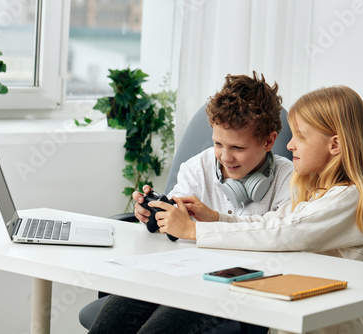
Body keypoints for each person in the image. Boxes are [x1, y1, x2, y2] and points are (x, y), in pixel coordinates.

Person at [152, 86, 363, 334]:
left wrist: (194, 231)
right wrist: (215, 218)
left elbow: (281, 232)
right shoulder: (318, 193)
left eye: (301, 137)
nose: (291, 145)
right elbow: (268, 222)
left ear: (335, 145)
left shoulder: (347, 198)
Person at [88, 72, 294, 334]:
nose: (225, 157)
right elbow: (173, 222)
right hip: (179, 274)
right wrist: (154, 216)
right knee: (110, 323)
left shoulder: (288, 178)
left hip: (233, 289)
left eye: (238, 148)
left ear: (269, 141)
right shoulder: (199, 166)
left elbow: (284, 234)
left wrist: (212, 221)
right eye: (218, 143)